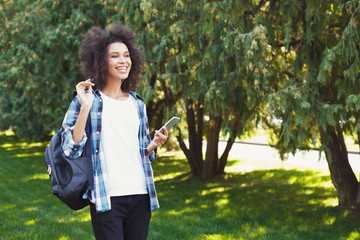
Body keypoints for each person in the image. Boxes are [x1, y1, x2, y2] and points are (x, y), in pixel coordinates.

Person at [61, 22, 168, 240]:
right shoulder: (87, 99)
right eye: (115, 56)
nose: (123, 61)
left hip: (140, 194)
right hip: (106, 196)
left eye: (126, 55)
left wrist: (153, 144)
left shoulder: (137, 103)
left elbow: (139, 152)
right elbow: (71, 149)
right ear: (101, 61)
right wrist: (85, 107)